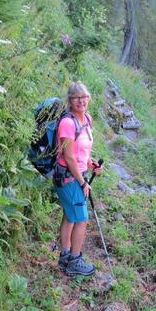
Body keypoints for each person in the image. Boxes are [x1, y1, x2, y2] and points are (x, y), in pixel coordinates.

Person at [54, 82, 102, 276]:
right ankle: (74, 260)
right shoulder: (67, 123)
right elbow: (69, 157)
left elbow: (81, 151)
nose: (80, 101)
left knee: (70, 215)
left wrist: (91, 163)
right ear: (70, 100)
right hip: (68, 178)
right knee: (81, 219)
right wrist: (83, 183)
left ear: (89, 98)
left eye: (84, 97)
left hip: (77, 174)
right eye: (75, 98)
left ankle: (65, 256)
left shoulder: (87, 119)